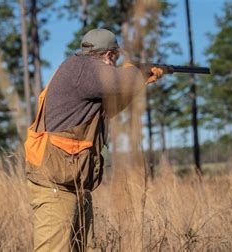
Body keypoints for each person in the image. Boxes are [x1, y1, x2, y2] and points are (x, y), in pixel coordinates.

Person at [24, 28, 164, 251]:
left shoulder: (81, 72)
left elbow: (109, 108)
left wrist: (140, 82)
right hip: (55, 183)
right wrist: (137, 72)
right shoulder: (84, 69)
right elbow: (121, 80)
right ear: (109, 55)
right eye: (115, 58)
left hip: (72, 179)